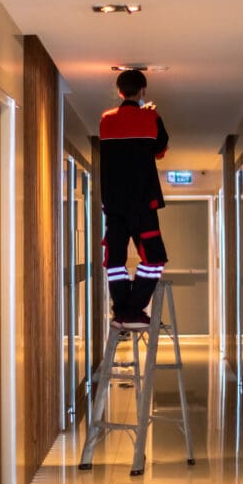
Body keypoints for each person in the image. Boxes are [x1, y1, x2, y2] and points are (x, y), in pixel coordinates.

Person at [99, 69, 170, 330]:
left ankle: (122, 310)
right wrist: (152, 113)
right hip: (142, 203)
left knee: (115, 259)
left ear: (119, 91)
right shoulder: (150, 117)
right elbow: (160, 148)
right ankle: (133, 309)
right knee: (154, 257)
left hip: (114, 204)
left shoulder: (105, 120)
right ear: (143, 91)